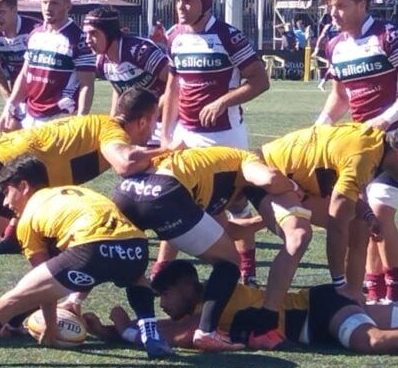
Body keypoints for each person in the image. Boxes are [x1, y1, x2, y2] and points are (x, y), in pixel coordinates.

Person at [0, 157, 172, 363]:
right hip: (137, 248)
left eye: (7, 193)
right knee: (136, 279)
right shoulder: (75, 193)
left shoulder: (28, 216)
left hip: (91, 249)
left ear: (24, 186)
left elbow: (45, 283)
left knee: (10, 300)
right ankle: (151, 335)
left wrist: (51, 327)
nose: (5, 203)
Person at [87, 259, 398, 357]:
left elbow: (175, 335)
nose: (163, 303)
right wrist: (118, 332)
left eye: (166, 295)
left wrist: (126, 326)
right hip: (320, 307)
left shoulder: (210, 302)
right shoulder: (199, 306)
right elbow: (176, 330)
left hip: (319, 311)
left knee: (368, 343)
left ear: (188, 287)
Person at [242, 122, 398, 348]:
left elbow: (342, 197)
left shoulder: (374, 145)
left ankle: (352, 298)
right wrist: (338, 281)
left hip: (295, 183)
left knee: (360, 224)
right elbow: (337, 223)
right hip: (266, 172)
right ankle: (265, 326)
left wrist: (366, 213)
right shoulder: (364, 156)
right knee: (299, 236)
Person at [0, 88, 163, 286]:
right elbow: (124, 163)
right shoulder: (114, 131)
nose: (155, 129)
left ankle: (26, 315)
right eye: (155, 120)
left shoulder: (98, 123)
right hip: (9, 168)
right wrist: (168, 149)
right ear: (142, 121)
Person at [315, 0, 398, 307]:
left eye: (341, 5)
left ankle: (395, 294)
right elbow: (340, 96)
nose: (333, 13)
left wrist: (385, 120)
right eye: (330, 6)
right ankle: (372, 290)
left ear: (362, 5)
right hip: (358, 145)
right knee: (361, 220)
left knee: (380, 213)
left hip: (394, 142)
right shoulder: (334, 45)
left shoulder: (388, 36)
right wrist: (321, 125)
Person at [111, 145, 292, 350]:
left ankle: (72, 302)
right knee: (229, 262)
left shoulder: (208, 175)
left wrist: (264, 220)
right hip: (165, 192)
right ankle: (207, 331)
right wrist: (295, 189)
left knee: (120, 258)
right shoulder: (245, 159)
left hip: (127, 191)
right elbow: (269, 178)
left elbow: (224, 233)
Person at [161, 0, 269, 283]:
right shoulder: (175, 36)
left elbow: (260, 80)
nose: (181, 6)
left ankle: (247, 270)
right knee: (176, 198)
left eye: (188, 0)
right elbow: (173, 88)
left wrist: (223, 101)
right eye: (179, 0)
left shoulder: (228, 36)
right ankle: (162, 270)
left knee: (236, 201)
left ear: (205, 3)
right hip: (186, 135)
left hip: (224, 135)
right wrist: (167, 133)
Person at [0, 0, 95, 131]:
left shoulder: (79, 39)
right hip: (30, 116)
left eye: (54, 3)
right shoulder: (35, 34)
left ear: (68, 5)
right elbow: (25, 75)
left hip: (60, 116)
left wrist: (81, 119)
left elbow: (87, 85)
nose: (47, 8)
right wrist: (10, 106)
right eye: (44, 2)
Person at [82, 7, 168, 117]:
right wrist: (113, 119)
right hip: (142, 122)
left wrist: (156, 114)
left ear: (109, 32)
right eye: (86, 34)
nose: (87, 40)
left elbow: (175, 81)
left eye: (93, 33)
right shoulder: (101, 61)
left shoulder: (140, 51)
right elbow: (118, 88)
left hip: (167, 118)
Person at [0, 0, 41, 111]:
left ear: (14, 10)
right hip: (16, 88)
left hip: (41, 90)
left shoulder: (35, 31)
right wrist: (8, 96)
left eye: (1, 12)